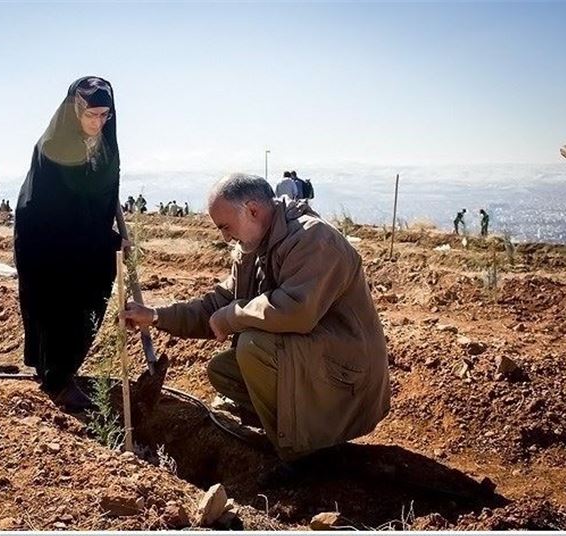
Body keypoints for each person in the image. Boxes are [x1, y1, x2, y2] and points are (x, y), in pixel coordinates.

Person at [123, 173, 390, 467]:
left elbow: (296, 312)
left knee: (252, 347)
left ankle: (299, 453)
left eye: (226, 227)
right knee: (225, 370)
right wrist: (156, 315)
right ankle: (291, 428)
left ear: (252, 210)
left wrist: (233, 316)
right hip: (316, 363)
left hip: (349, 377)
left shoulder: (313, 239)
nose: (225, 237)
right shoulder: (252, 246)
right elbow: (216, 305)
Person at [14, 76, 124, 412]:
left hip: (87, 235)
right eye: (91, 115)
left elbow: (104, 191)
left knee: (90, 294)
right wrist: (105, 235)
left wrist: (112, 230)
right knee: (56, 303)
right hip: (48, 237)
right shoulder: (55, 145)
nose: (98, 122)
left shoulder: (105, 142)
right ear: (73, 110)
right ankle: (57, 380)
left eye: (105, 115)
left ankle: (58, 368)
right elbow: (64, 205)